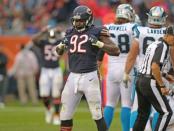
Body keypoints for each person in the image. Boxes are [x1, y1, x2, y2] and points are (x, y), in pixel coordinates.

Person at [55, 5, 120, 131]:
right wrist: (60, 47)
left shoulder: (97, 31)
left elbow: (116, 50)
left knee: (97, 114)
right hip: (72, 76)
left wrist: (99, 43)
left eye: (81, 20)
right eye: (76, 20)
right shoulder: (69, 32)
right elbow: (58, 52)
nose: (78, 23)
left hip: (90, 77)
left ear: (88, 20)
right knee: (65, 114)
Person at [123, 6, 167, 131]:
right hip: (161, 76)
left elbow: (132, 54)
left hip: (142, 75)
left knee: (137, 109)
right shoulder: (168, 32)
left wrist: (126, 72)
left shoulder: (141, 31)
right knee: (161, 108)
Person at [101, 4, 136, 131]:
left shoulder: (107, 27)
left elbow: (100, 48)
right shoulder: (133, 27)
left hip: (111, 70)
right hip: (127, 69)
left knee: (109, 104)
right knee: (126, 104)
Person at [133, 25, 174, 131]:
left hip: (140, 80)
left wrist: (165, 75)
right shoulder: (163, 46)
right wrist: (162, 85)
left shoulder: (155, 43)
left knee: (143, 114)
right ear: (168, 35)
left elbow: (151, 65)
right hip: (149, 81)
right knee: (166, 112)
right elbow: (155, 66)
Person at [32, 27, 64, 125]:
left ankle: (56, 115)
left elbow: (68, 39)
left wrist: (61, 31)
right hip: (45, 69)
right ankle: (48, 109)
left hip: (56, 69)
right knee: (44, 94)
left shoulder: (59, 41)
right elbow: (33, 40)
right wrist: (42, 31)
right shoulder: (43, 42)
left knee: (56, 94)